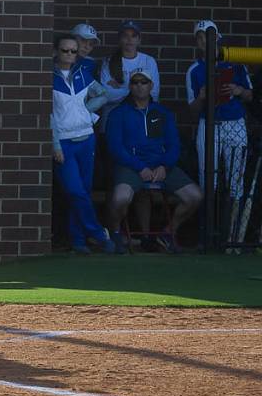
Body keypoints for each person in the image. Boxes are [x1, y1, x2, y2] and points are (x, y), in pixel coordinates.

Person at [106, 69, 203, 253]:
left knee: (195, 196)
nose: (140, 86)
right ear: (130, 86)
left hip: (161, 166)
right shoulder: (118, 113)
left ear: (151, 86)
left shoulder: (163, 113)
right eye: (135, 82)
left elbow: (174, 145)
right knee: (120, 198)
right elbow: (115, 147)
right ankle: (116, 233)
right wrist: (139, 167)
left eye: (144, 82)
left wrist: (164, 166)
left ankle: (167, 233)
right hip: (131, 166)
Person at [51, 34, 115, 254]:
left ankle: (78, 240)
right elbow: (48, 115)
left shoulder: (82, 73)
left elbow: (103, 94)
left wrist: (86, 110)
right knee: (74, 191)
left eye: (73, 51)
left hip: (87, 138)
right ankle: (98, 232)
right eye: (64, 50)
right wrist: (55, 145)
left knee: (83, 192)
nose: (69, 55)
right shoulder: (48, 76)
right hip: (64, 142)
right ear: (56, 51)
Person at [186, 20, 252, 198]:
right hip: (208, 124)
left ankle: (230, 225)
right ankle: (206, 225)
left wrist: (239, 90)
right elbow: (192, 111)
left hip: (235, 123)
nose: (203, 41)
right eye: (199, 38)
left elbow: (251, 96)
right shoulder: (194, 70)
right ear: (196, 42)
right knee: (207, 180)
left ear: (217, 37)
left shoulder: (236, 63)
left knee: (236, 180)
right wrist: (201, 97)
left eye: (207, 36)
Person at [99, 20, 160, 125]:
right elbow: (105, 96)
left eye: (133, 36)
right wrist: (138, 89)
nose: (129, 39)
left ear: (139, 40)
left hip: (140, 121)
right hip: (111, 121)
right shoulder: (108, 62)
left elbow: (154, 94)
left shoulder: (148, 61)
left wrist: (122, 88)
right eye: (125, 35)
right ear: (119, 39)